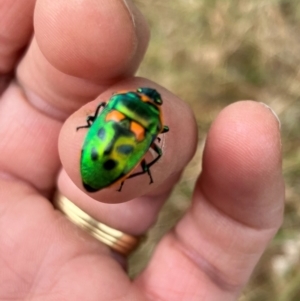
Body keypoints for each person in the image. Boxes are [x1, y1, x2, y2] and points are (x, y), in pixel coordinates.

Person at [0, 0, 284, 300]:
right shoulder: (154, 122)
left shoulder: (118, 104)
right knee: (157, 151)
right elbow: (157, 146)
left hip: (99, 153)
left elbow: (102, 110)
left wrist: (93, 125)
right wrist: (144, 170)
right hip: (113, 164)